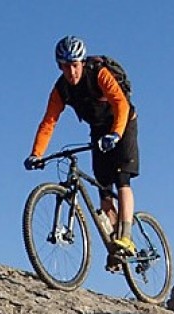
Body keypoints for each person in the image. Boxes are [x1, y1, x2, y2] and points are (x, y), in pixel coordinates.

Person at [25, 35, 139, 272]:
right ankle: (116, 248)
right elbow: (49, 122)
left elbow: (121, 104)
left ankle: (126, 236)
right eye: (66, 66)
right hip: (98, 131)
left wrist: (116, 134)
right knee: (103, 191)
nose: (71, 71)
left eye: (75, 65)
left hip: (123, 124)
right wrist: (36, 154)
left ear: (82, 63)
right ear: (59, 66)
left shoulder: (98, 73)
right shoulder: (61, 89)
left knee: (122, 181)